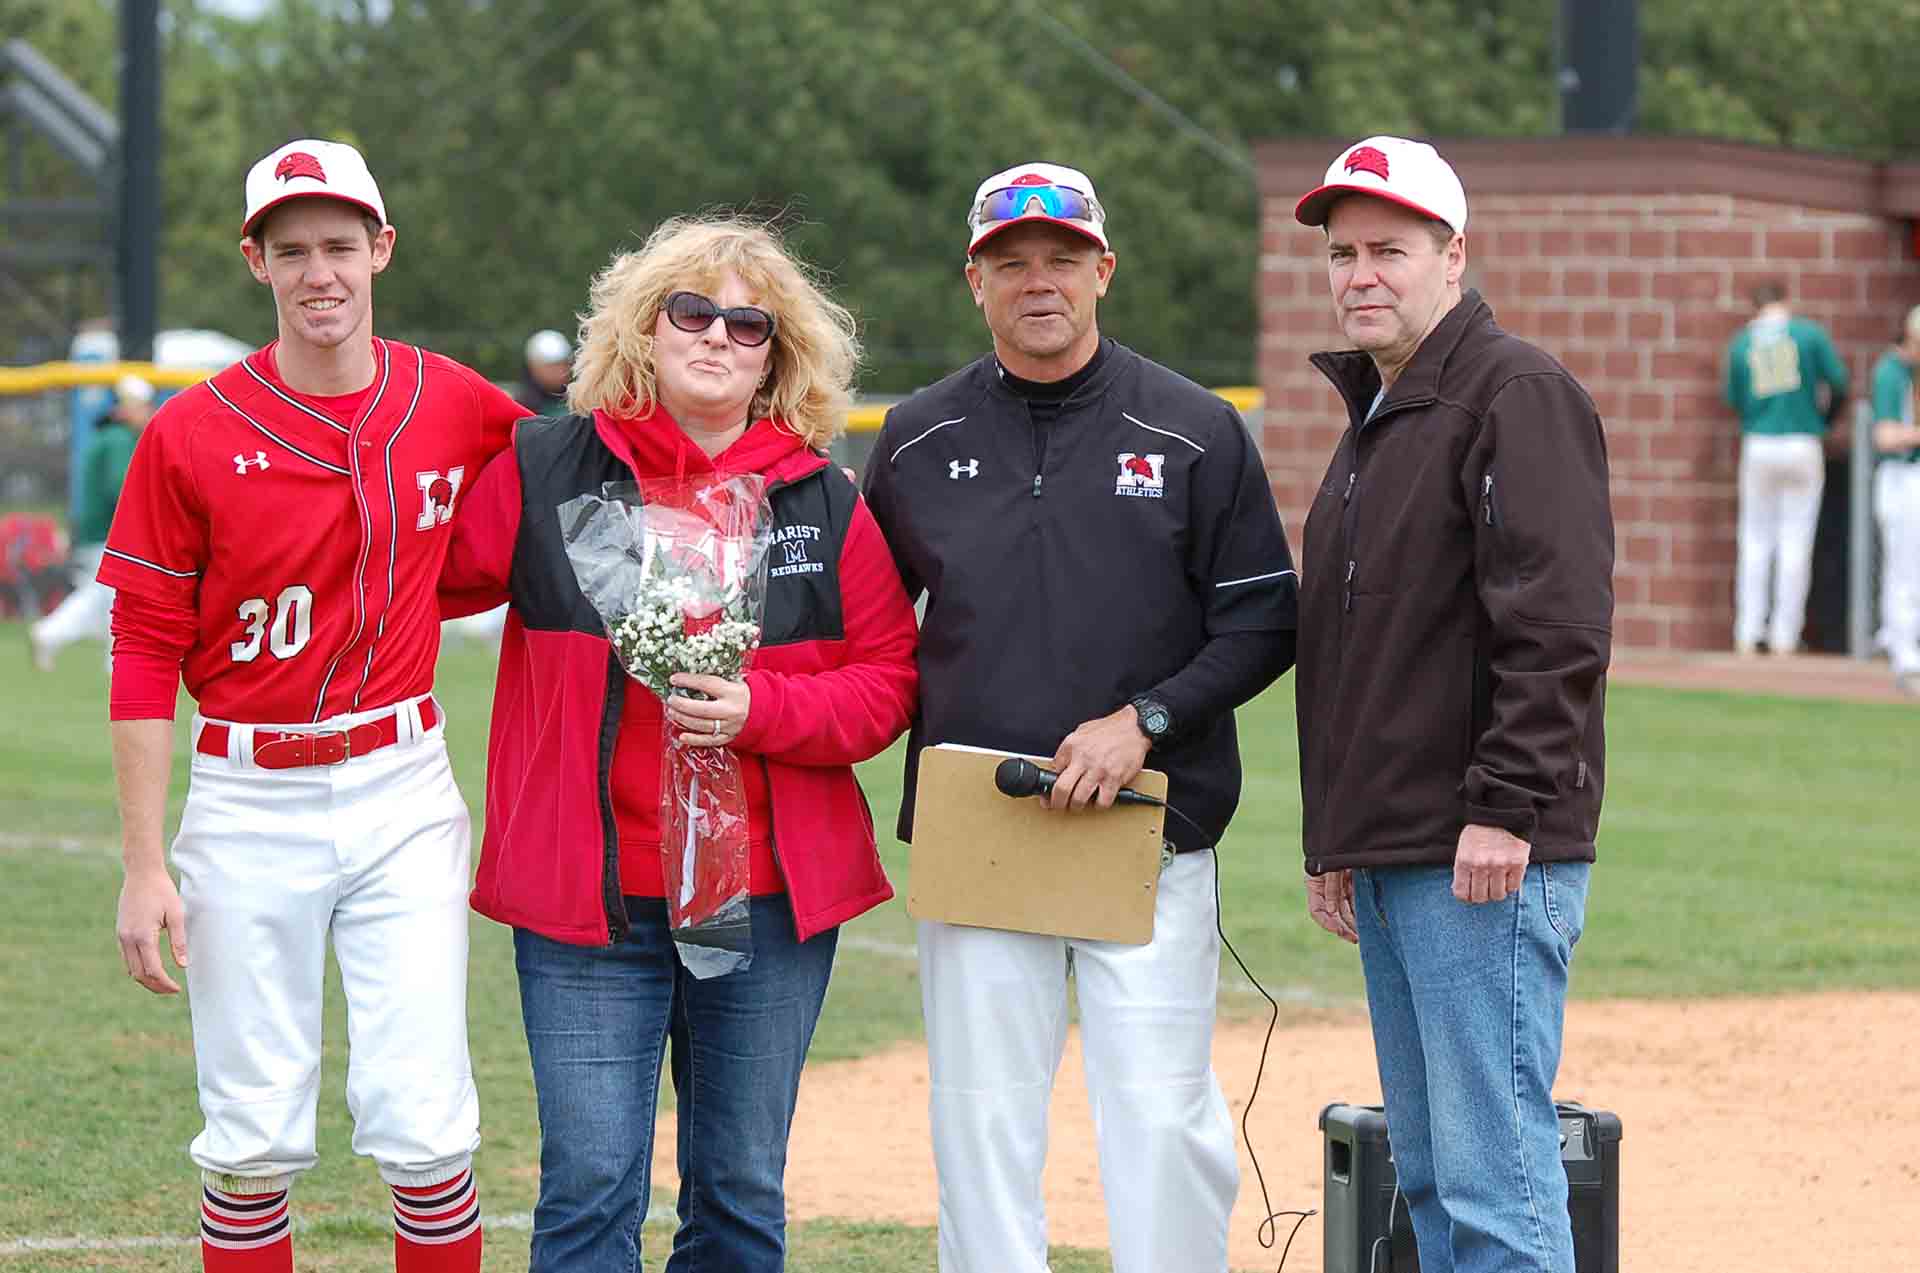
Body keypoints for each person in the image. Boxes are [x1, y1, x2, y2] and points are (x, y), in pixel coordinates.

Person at [438, 215, 919, 1272]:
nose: (717, 338)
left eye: (749, 325)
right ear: (642, 330)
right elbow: (413, 576)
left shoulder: (823, 498)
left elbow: (886, 687)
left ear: (776, 354)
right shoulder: (543, 465)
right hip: (589, 903)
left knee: (741, 1196)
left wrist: (763, 711)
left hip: (770, 905)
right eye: (690, 312)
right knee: (588, 1187)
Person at [861, 162, 1298, 1273]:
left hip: (1148, 819)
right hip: (979, 822)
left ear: (1104, 269)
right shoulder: (913, 440)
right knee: (981, 1118)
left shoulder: (1197, 428)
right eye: (1011, 262)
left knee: (1159, 1116)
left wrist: (1145, 718)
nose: (1038, 280)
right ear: (976, 280)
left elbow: (1260, 625)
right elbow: (866, 632)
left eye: (1062, 258)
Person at [100, 138, 526, 1273]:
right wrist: (145, 862)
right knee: (248, 1135)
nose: (319, 271)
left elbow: (541, 505)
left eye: (341, 244)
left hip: (401, 783)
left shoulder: (454, 400)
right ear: (256, 262)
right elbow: (142, 649)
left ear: (382, 248)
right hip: (244, 794)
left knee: (428, 1124)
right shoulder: (190, 431)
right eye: (291, 250)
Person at [1291, 135, 1614, 1273]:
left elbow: (1559, 625)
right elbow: (1357, 649)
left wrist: (1508, 806)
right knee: (1429, 1173)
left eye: (1390, 248)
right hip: (1402, 850)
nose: (1360, 273)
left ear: (1453, 256)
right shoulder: (1382, 417)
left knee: (1496, 1179)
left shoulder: (1514, 392)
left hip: (1484, 853)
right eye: (1342, 253)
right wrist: (1340, 835)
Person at [1722, 282, 1849, 655]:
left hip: (1759, 440)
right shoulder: (1808, 334)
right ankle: (1784, 635)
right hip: (1802, 438)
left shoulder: (1742, 342)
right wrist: (1824, 419)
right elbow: (1839, 382)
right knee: (1796, 539)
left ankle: (1747, 631)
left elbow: (1734, 398)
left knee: (1755, 539)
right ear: (1785, 301)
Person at [28, 374, 156, 672]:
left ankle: (53, 636)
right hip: (108, 532)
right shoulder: (118, 439)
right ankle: (54, 635)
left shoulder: (105, 436)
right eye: (143, 405)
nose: (148, 412)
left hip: (94, 530)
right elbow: (120, 486)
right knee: (112, 595)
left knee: (102, 596)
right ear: (126, 407)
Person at [1868, 303, 1920, 693]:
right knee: (1905, 567)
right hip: (1901, 476)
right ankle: (1904, 654)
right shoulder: (1891, 372)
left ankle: (1901, 643)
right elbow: (1884, 436)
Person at [511, 327, 572, 415]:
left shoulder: (581, 400)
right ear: (533, 366)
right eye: (551, 366)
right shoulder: (521, 405)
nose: (560, 371)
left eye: (563, 364)